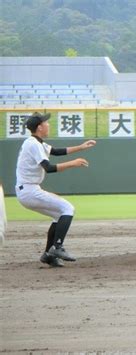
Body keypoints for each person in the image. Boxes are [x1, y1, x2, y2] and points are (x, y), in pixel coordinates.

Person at [15, 112, 96, 267]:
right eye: (46, 122)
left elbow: (56, 151)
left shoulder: (37, 142)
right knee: (67, 208)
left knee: (59, 215)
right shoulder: (33, 144)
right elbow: (49, 168)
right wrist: (73, 163)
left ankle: (48, 255)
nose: (48, 124)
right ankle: (57, 247)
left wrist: (81, 147)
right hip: (29, 190)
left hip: (28, 189)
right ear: (39, 127)